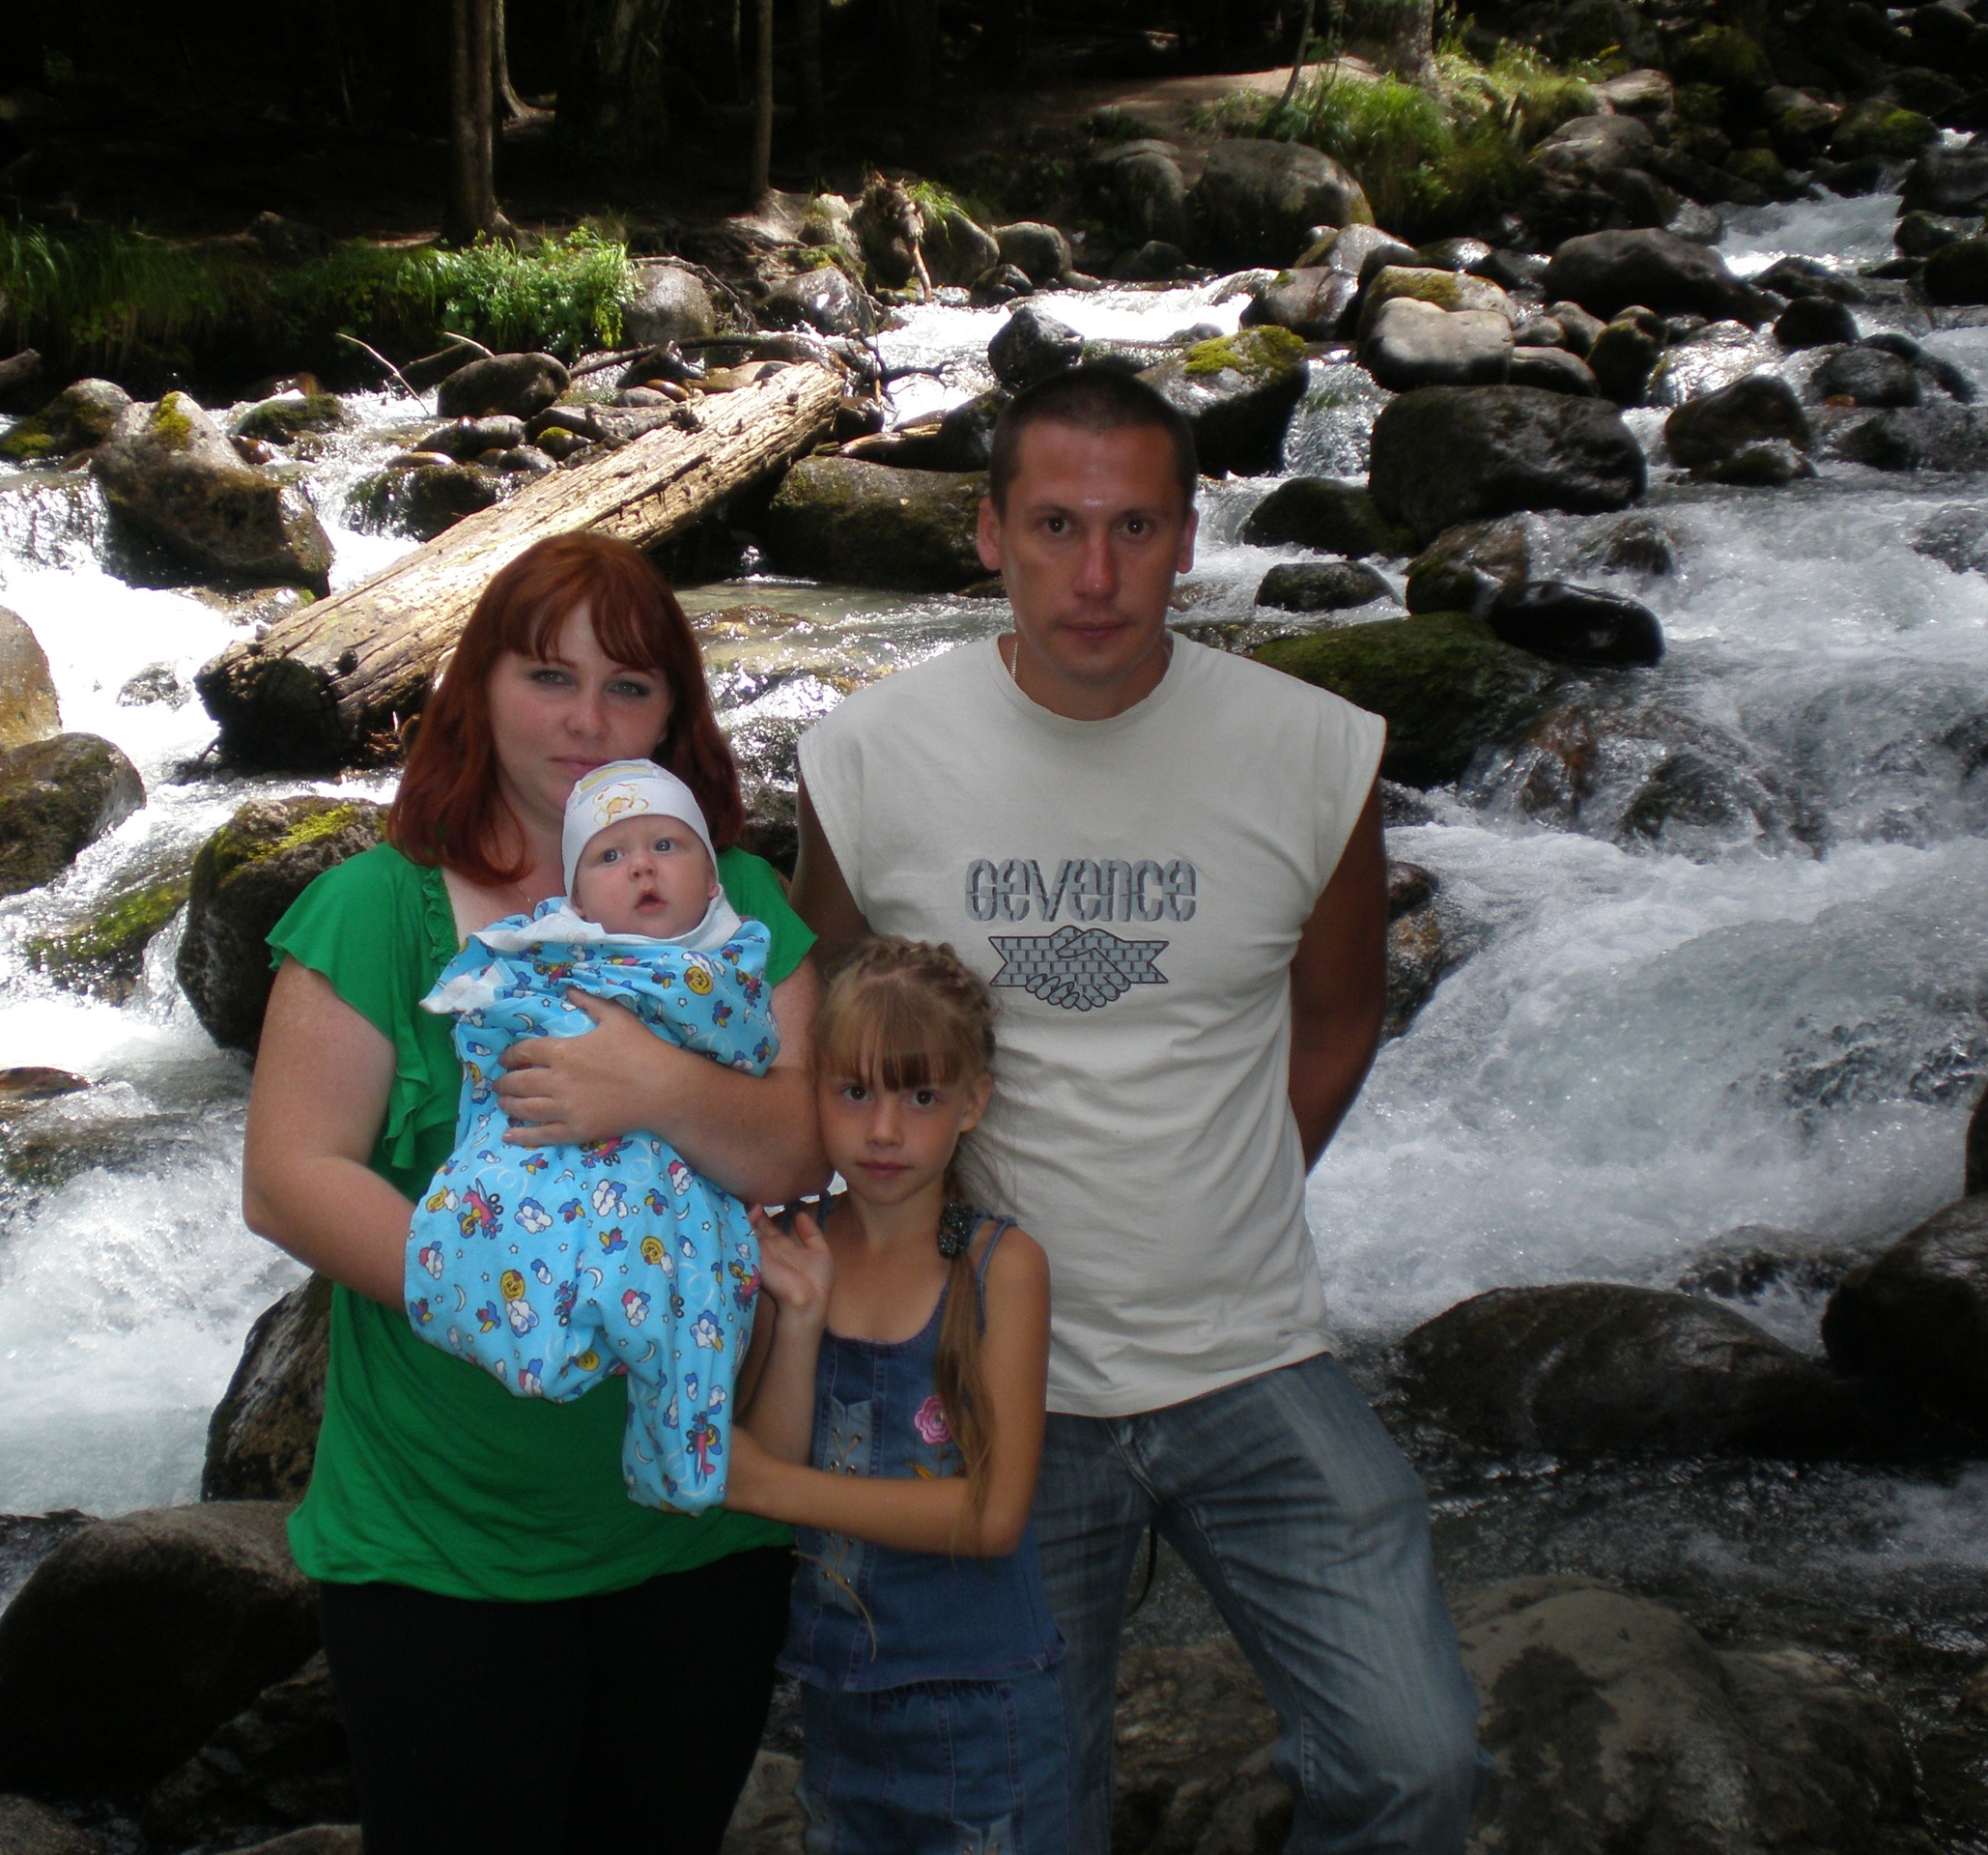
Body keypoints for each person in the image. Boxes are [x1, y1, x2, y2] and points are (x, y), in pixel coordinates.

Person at [787, 366, 1486, 1854]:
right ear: (990, 533)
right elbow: (822, 1035)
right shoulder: (870, 761)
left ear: (1189, 536)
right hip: (989, 1375)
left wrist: (1233, 1198)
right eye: (1056, 525)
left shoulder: (1315, 752)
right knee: (1014, 1817)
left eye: (1134, 528)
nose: (1095, 575)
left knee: (1416, 1760)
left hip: (1247, 1355)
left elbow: (1339, 1014)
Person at [241, 532, 831, 1855]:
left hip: (699, 1525)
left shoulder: (731, 899)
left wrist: (652, 1085)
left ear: (674, 714)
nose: (586, 721)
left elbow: (802, 1146)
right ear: (478, 688)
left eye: (629, 686)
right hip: (445, 1544)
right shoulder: (374, 909)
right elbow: (289, 1179)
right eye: (547, 677)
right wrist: (515, 1303)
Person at [724, 936, 1066, 1855]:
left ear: (973, 1102)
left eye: (920, 1097)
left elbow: (992, 1516)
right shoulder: (797, 1247)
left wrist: (775, 1488)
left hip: (984, 1710)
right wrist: (800, 1320)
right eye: (855, 1093)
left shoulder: (1001, 1268)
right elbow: (773, 1451)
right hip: (836, 1700)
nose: (883, 1131)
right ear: (816, 1091)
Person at [403, 757, 781, 1512]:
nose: (641, 865)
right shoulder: (545, 949)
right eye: (610, 855)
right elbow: (495, 1025)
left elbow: (743, 1039)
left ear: (712, 884)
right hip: (543, 1144)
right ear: (575, 900)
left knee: (694, 1288)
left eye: (667, 845)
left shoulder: (729, 961)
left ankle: (678, 1465)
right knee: (480, 1203)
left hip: (663, 1174)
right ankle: (522, 1323)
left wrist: (650, 1078)